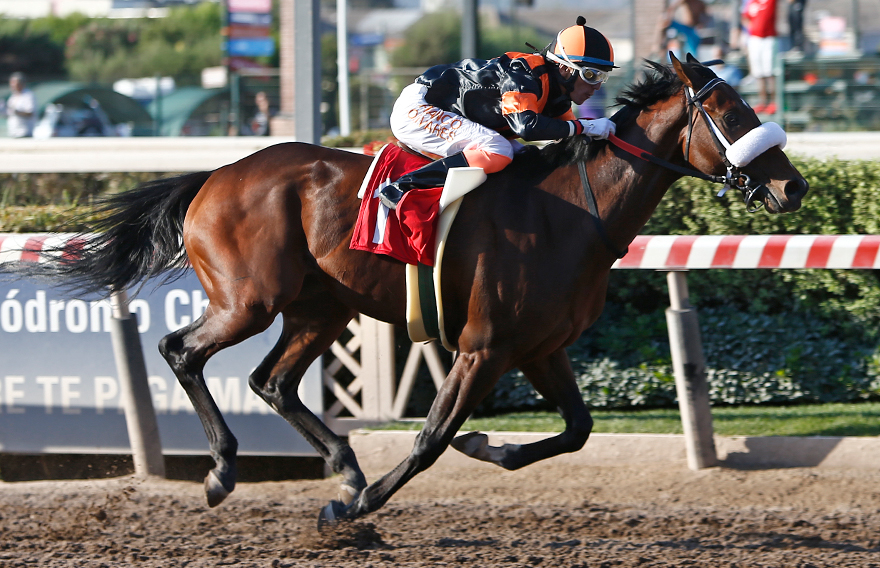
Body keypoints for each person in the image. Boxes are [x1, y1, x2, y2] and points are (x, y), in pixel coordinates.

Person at [379, 17, 617, 210]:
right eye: (592, 75)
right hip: (419, 108)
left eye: (603, 77)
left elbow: (568, 136)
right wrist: (586, 126)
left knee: (525, 155)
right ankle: (403, 187)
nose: (597, 86)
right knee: (498, 150)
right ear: (566, 69)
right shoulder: (524, 73)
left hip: (443, 111)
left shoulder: (556, 97)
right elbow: (527, 127)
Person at [742, 0, 779, 115]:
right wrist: (750, 28)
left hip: (768, 38)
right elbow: (745, 17)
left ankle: (774, 101)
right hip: (754, 39)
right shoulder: (753, 2)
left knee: (769, 71)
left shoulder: (771, 1)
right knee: (758, 72)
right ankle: (762, 102)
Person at [6, 72, 36, 138]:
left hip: (24, 132)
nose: (12, 85)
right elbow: (9, 114)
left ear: (21, 84)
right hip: (13, 132)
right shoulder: (12, 97)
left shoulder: (28, 96)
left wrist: (16, 112)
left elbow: (30, 113)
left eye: (14, 83)